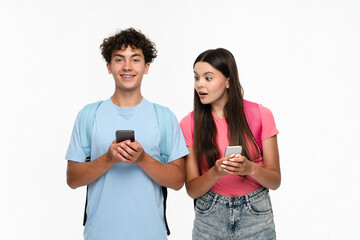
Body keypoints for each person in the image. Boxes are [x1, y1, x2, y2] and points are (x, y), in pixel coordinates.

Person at [65, 28, 188, 240]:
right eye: (119, 59)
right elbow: (72, 179)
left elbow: (178, 181)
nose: (127, 67)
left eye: (135, 59)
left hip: (151, 234)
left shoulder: (164, 116)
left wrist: (142, 159)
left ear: (146, 67)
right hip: (99, 234)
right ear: (109, 67)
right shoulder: (88, 115)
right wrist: (108, 159)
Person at [180, 48, 281, 239]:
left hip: (256, 217)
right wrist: (215, 172)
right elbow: (192, 189)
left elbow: (275, 181)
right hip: (209, 218)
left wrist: (250, 168)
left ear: (228, 81)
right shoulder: (189, 123)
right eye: (196, 77)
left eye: (208, 78)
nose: (200, 85)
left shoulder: (261, 114)